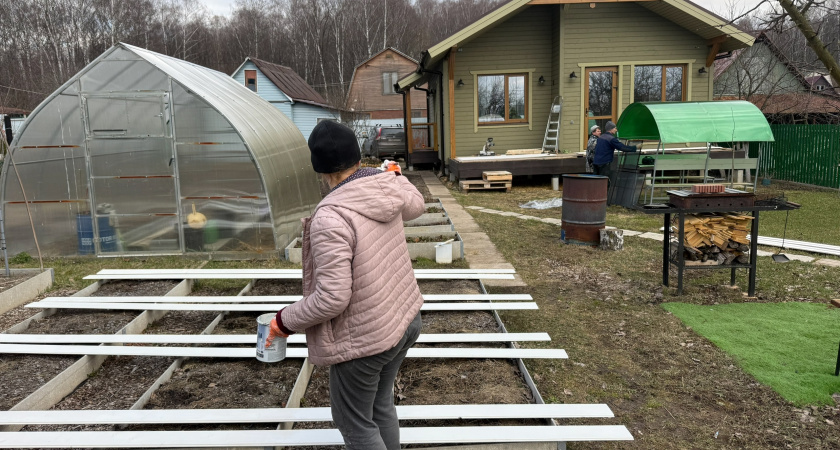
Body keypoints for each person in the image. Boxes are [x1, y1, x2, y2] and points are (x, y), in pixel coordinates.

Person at [266, 120, 425, 450]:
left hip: (367, 338)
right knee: (379, 406)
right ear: (357, 156)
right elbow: (416, 203)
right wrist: (396, 173)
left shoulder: (330, 217)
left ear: (320, 169)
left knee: (353, 421)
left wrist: (282, 322)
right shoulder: (386, 185)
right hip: (405, 320)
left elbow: (332, 298)